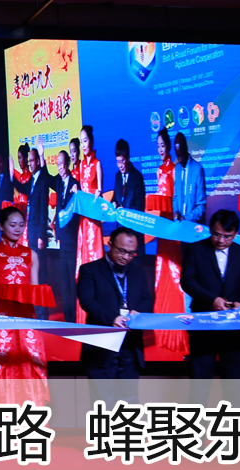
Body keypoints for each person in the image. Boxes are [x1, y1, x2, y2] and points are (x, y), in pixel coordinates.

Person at [0, 206, 48, 424]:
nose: (18, 229)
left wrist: (36, 293)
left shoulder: (31, 255)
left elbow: (34, 287)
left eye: (21, 225)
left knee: (28, 364)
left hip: (26, 316)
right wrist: (2, 289)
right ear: (1, 226)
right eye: (12, 225)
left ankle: (30, 424)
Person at [181, 210, 240, 405]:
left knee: (234, 380)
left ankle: (234, 423)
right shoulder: (195, 250)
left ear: (236, 234)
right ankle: (196, 423)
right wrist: (212, 300)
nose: (221, 240)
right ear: (210, 229)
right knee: (200, 380)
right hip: (203, 324)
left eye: (227, 236)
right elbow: (187, 281)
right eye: (216, 234)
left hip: (234, 326)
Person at [77, 227, 152, 405]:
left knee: (129, 400)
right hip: (102, 344)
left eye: (131, 253)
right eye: (121, 251)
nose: (126, 257)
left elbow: (147, 299)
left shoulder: (138, 272)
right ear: (109, 244)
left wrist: (137, 313)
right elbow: (87, 301)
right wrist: (112, 318)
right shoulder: (90, 270)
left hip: (130, 344)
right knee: (103, 402)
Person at [151, 129, 189, 355]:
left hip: (172, 226)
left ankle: (180, 335)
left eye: (163, 146)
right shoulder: (158, 169)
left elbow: (176, 198)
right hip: (161, 226)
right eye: (158, 146)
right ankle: (165, 334)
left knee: (175, 273)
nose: (160, 150)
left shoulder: (175, 169)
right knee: (162, 271)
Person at [74, 127, 105, 325]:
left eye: (85, 141)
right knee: (84, 260)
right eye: (81, 141)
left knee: (94, 258)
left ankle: (100, 308)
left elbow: (100, 191)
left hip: (93, 220)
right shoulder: (79, 166)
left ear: (91, 142)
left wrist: (98, 194)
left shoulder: (97, 163)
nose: (83, 145)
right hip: (83, 221)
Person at [54, 149, 79, 323]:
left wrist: (77, 193)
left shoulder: (75, 184)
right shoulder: (58, 183)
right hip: (62, 239)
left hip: (72, 239)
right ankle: (67, 316)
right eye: (58, 164)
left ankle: (74, 317)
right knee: (64, 280)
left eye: (62, 164)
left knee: (71, 280)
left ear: (68, 164)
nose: (60, 167)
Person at [172, 133, 207, 225]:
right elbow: (175, 197)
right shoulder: (177, 168)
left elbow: (201, 206)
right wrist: (176, 212)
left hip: (194, 226)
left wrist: (186, 218)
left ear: (186, 149)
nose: (179, 160)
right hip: (179, 225)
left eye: (181, 156)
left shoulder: (197, 169)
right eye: (177, 156)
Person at [112, 139, 145, 212]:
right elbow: (115, 198)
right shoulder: (118, 176)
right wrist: (114, 203)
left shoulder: (137, 177)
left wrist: (124, 210)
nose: (120, 166)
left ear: (128, 158)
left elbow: (140, 207)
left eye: (122, 161)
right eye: (118, 162)